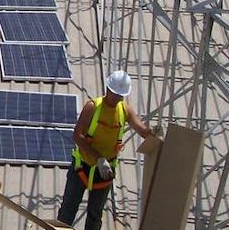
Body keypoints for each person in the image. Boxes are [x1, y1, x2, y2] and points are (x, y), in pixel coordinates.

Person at [57, 70, 158, 230]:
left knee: (95, 215)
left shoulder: (124, 111)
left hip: (104, 171)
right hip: (82, 166)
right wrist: (98, 158)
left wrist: (153, 133)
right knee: (67, 212)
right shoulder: (93, 107)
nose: (117, 98)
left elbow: (141, 129)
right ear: (108, 89)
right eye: (115, 93)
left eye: (120, 95)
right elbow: (77, 136)